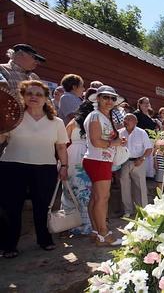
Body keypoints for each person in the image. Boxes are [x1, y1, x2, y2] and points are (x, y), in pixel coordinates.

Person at [0, 80, 68, 258]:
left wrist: (64, 166)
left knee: (42, 206)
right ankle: (9, 245)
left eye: (39, 94)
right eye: (29, 93)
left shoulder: (57, 122)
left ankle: (44, 240)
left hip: (45, 168)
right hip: (13, 166)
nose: (34, 97)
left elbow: (61, 147)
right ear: (22, 96)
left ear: (46, 98)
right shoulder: (13, 117)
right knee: (12, 208)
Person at [83, 85, 127, 246]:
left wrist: (115, 142)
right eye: (105, 97)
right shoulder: (95, 116)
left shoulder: (103, 116)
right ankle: (104, 233)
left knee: (96, 198)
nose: (109, 101)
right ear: (98, 98)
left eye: (112, 98)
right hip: (98, 160)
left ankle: (96, 232)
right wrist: (113, 142)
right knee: (102, 198)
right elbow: (96, 141)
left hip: (100, 160)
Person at [61, 88, 98, 236]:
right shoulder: (94, 122)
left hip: (71, 156)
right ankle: (89, 223)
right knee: (87, 191)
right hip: (88, 154)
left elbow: (64, 141)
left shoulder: (72, 122)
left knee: (70, 191)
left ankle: (72, 223)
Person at [119, 114, 153, 217]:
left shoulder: (141, 133)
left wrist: (142, 158)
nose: (126, 121)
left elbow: (149, 149)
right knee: (124, 187)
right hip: (124, 162)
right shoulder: (120, 133)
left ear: (135, 121)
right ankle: (128, 211)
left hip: (138, 162)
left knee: (140, 187)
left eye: (128, 119)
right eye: (125, 119)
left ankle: (143, 210)